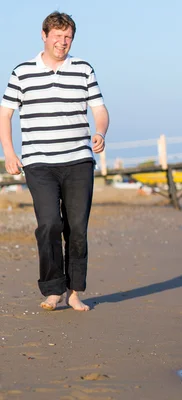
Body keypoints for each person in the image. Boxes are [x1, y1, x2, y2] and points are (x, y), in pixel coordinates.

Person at [0, 12, 109, 311]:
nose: (63, 42)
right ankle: (52, 288)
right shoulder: (22, 72)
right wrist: (9, 152)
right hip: (39, 163)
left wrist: (100, 132)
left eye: (68, 37)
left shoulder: (83, 69)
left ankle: (73, 290)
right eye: (58, 36)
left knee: (77, 228)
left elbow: (100, 109)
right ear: (44, 35)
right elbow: (5, 114)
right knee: (49, 224)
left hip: (78, 162)